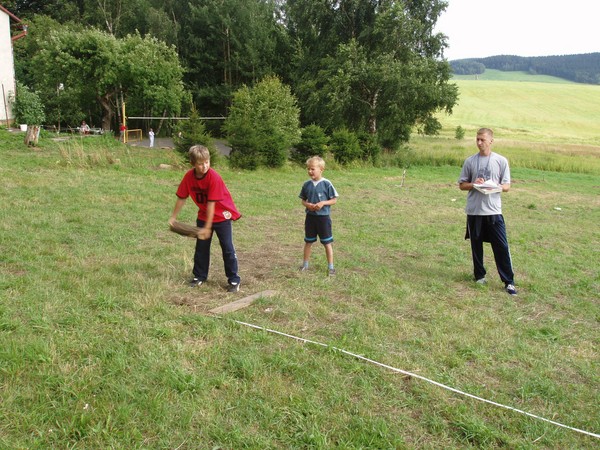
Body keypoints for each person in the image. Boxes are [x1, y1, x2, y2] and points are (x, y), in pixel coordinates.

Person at [169, 145, 242, 292]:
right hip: (204, 215)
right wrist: (173, 217)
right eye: (200, 163)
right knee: (201, 248)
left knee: (227, 247)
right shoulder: (189, 177)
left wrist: (207, 228)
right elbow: (181, 197)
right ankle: (199, 276)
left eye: (207, 162)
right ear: (193, 163)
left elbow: (211, 204)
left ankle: (234, 279)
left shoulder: (214, 177)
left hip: (221, 216)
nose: (205, 166)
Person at [458, 128, 517, 296]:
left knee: (501, 246)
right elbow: (462, 185)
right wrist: (474, 184)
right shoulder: (470, 161)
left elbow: (507, 186)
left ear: (491, 141)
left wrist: (496, 186)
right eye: (477, 139)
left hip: (493, 211)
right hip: (475, 211)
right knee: (476, 245)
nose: (479, 142)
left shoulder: (501, 161)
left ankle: (509, 282)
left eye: (482, 139)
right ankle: (479, 276)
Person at [299, 156, 339, 276]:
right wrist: (307, 205)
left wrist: (323, 203)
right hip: (310, 218)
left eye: (313, 169)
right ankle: (305, 265)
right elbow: (303, 200)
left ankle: (331, 267)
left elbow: (334, 200)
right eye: (308, 169)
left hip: (323, 218)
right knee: (308, 242)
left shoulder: (327, 184)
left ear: (321, 169)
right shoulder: (306, 184)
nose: (310, 171)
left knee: (327, 243)